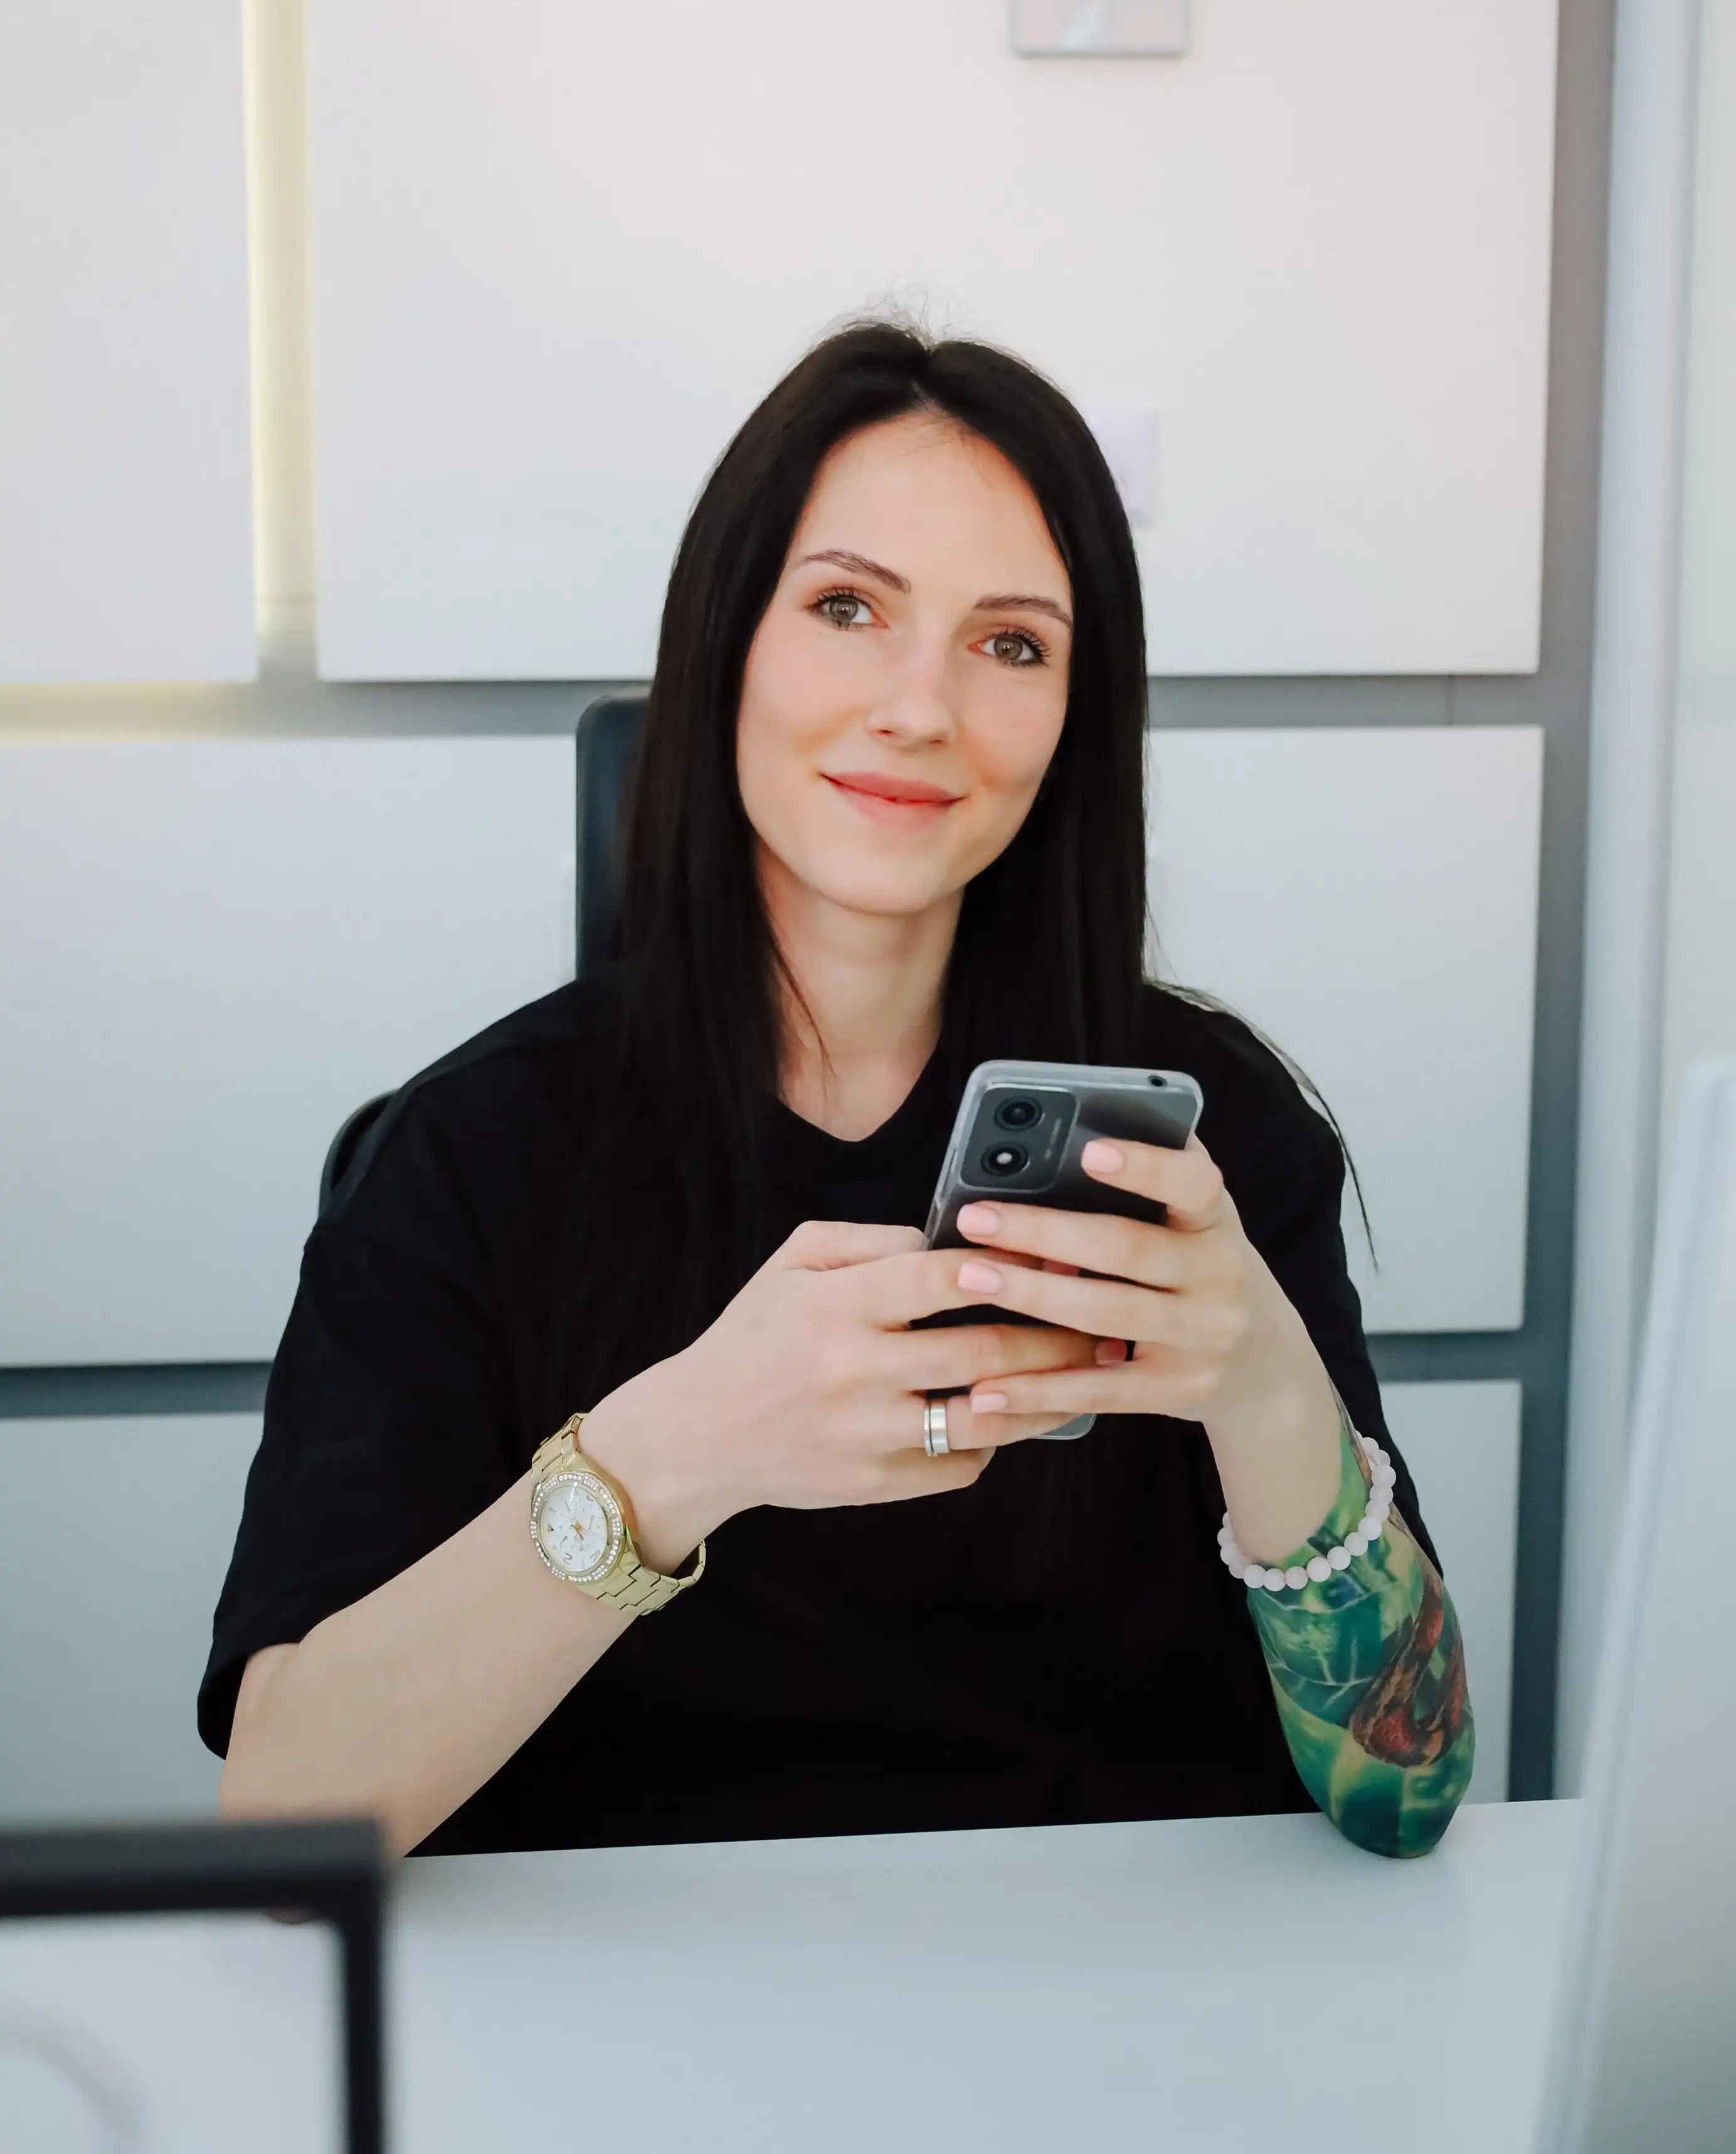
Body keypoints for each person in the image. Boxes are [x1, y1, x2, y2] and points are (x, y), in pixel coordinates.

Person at [203, 322, 1473, 1862]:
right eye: (847, 607)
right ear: (724, 642)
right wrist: (669, 1455)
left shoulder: (1206, 1144)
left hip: (1114, 1988)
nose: (919, 706)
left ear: (1075, 719)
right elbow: (283, 1831)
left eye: (1011, 644)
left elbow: (1406, 1798)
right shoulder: (470, 1155)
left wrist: (1263, 1384)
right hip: (626, 1997)